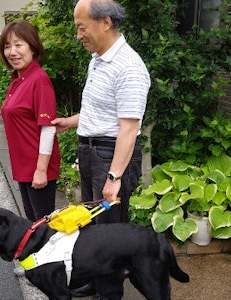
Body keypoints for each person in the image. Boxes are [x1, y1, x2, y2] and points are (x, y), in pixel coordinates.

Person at [51, 0, 151, 299]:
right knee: (93, 227)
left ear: (105, 22)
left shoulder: (129, 67)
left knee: (109, 236)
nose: (78, 35)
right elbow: (101, 112)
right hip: (94, 153)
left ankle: (109, 294)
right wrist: (71, 122)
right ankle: (97, 283)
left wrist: (114, 176)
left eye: (82, 27)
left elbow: (129, 128)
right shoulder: (99, 58)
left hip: (111, 157)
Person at [0, 21, 61, 223]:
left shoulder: (39, 79)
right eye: (7, 46)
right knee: (32, 224)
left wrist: (41, 171)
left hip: (37, 167)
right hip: (23, 166)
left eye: (18, 44)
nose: (12, 52)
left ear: (33, 48)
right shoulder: (18, 80)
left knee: (42, 227)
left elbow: (48, 128)